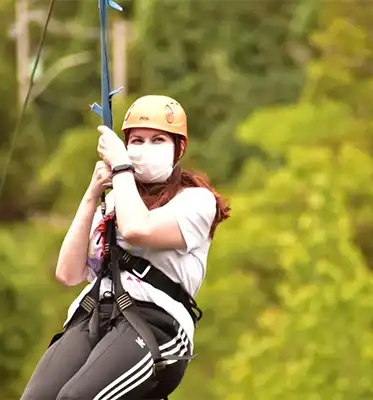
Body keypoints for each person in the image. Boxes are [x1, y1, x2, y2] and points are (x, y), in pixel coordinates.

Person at [21, 95, 230, 400]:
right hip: (94, 313)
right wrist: (93, 193)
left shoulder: (196, 201)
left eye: (158, 140)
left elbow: (137, 229)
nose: (145, 149)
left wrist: (121, 167)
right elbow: (67, 273)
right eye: (137, 141)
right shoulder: (113, 200)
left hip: (157, 324)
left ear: (179, 148)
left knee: (76, 398)